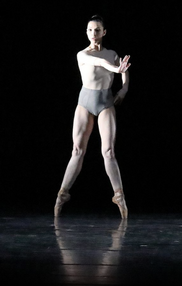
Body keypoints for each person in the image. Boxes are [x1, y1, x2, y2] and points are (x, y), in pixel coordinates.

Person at [54, 15, 131, 218]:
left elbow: (123, 69)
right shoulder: (83, 55)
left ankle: (119, 196)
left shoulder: (112, 53)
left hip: (105, 102)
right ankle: (61, 195)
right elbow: (102, 63)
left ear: (104, 32)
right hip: (85, 103)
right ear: (86, 32)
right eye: (90, 30)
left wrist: (123, 89)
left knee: (108, 152)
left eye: (97, 30)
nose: (93, 34)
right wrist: (116, 68)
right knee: (77, 150)